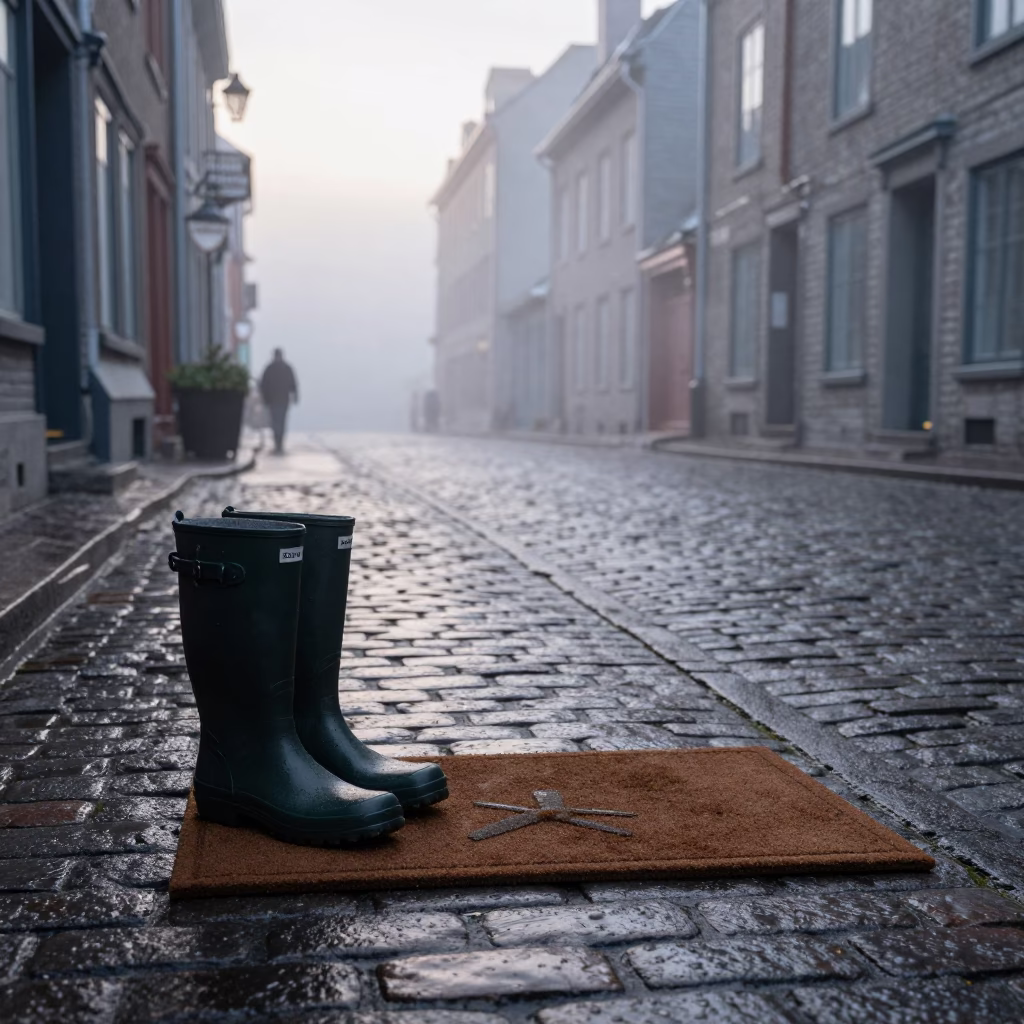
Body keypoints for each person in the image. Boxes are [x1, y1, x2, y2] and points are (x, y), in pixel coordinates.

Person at [260, 349, 298, 454]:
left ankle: (279, 443)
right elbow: (293, 384)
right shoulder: (284, 368)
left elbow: (293, 383)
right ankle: (278, 443)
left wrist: (295, 396)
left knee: (278, 422)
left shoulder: (271, 368)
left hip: (278, 400)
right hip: (277, 400)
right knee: (278, 422)